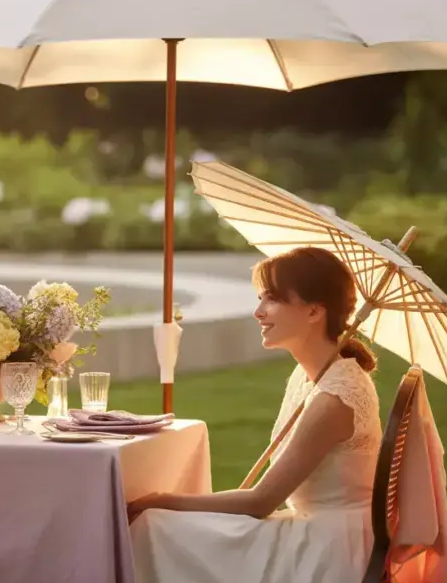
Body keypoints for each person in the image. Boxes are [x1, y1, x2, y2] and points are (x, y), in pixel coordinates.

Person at [127, 246, 382, 583]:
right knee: (163, 525)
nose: (258, 312)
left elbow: (261, 501)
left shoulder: (334, 398)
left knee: (152, 525)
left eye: (272, 299)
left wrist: (160, 500)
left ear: (314, 311)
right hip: (313, 531)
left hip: (324, 550)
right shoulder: (311, 377)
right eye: (261, 299)